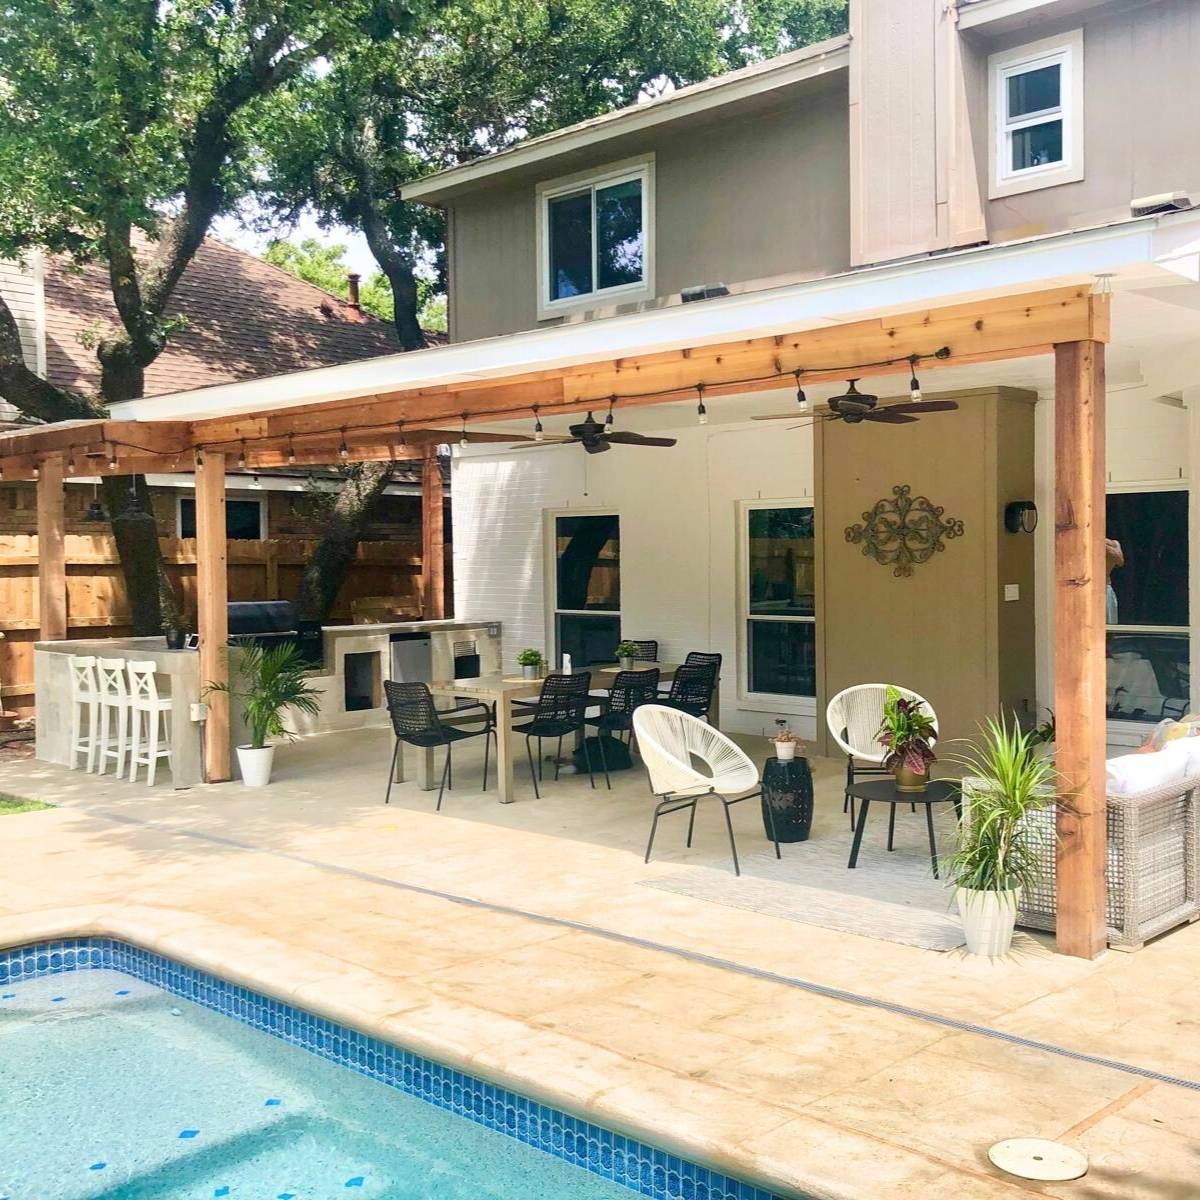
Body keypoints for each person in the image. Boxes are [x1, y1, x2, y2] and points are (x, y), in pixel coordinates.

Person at [1105, 537, 1124, 625]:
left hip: (1105, 587)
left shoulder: (1114, 543)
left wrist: (1103, 545)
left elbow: (1120, 561)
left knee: (1109, 623)